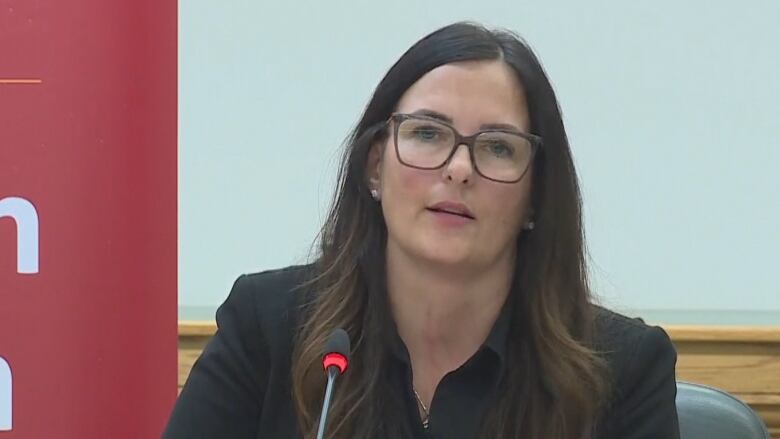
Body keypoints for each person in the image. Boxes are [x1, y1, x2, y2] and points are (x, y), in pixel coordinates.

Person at [164, 22, 680, 439]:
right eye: (428, 134)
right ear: (374, 167)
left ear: (536, 196)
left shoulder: (621, 371)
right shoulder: (268, 328)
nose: (459, 168)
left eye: (498, 146)